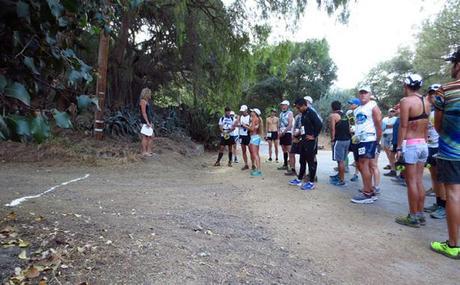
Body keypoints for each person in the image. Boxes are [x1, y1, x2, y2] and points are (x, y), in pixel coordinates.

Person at [431, 48, 460, 259]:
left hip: (452, 152)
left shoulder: (445, 90)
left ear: (458, 64)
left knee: (453, 195)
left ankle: (453, 244)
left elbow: (438, 124)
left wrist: (448, 138)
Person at [394, 74, 430, 228]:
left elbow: (403, 126)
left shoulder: (406, 101)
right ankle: (420, 214)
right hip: (423, 144)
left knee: (411, 182)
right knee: (419, 180)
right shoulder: (426, 101)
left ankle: (413, 216)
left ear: (406, 85)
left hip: (411, 144)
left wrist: (398, 146)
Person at [351, 87, 382, 204]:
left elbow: (378, 123)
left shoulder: (373, 105)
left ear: (370, 94)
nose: (363, 95)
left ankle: (367, 193)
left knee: (365, 165)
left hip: (369, 139)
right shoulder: (357, 110)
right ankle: (368, 188)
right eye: (361, 93)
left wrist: (377, 140)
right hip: (358, 140)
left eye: (365, 93)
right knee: (360, 165)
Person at [288, 98, 323, 190]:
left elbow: (319, 124)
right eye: (297, 108)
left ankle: (311, 182)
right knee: (302, 160)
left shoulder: (311, 112)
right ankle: (299, 180)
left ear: (304, 105)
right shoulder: (303, 114)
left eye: (299, 107)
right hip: (303, 140)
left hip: (310, 142)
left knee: (310, 161)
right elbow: (303, 128)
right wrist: (298, 136)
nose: (298, 109)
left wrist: (314, 136)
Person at [423, 84, 446, 220]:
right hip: (430, 146)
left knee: (441, 178)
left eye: (436, 93)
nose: (433, 96)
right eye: (431, 94)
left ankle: (444, 206)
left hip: (440, 147)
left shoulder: (444, 109)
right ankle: (438, 203)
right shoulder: (430, 111)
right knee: (433, 176)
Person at [329, 101, 351, 186]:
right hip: (347, 140)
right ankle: (339, 175)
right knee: (343, 159)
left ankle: (341, 180)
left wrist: (332, 139)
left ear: (332, 107)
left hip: (339, 140)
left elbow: (332, 129)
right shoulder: (346, 114)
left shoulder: (333, 116)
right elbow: (351, 127)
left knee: (340, 161)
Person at [347, 98, 361, 182]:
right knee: (349, 153)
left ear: (357, 105)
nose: (350, 105)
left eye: (352, 104)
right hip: (352, 136)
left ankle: (356, 174)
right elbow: (351, 124)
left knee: (357, 156)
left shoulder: (360, 112)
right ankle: (344, 168)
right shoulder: (350, 113)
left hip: (358, 137)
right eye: (350, 103)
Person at [285, 111, 302, 176]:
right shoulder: (297, 117)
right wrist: (293, 136)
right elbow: (294, 127)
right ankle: (293, 170)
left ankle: (304, 173)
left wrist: (299, 135)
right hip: (295, 137)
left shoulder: (308, 115)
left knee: (303, 156)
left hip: (302, 137)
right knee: (291, 153)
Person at [278, 100, 294, 170]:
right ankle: (285, 164)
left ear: (287, 106)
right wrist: (278, 131)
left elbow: (290, 125)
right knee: (283, 149)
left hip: (287, 133)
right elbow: (279, 124)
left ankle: (291, 166)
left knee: (289, 149)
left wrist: (284, 132)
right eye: (282, 105)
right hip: (281, 133)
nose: (283, 106)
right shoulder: (281, 113)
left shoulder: (290, 113)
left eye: (284, 105)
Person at [248, 108, 264, 177]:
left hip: (254, 137)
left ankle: (258, 171)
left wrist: (245, 126)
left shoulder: (255, 119)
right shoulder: (257, 119)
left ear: (255, 113)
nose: (251, 112)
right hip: (256, 137)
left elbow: (251, 129)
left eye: (253, 111)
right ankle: (258, 169)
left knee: (255, 154)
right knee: (256, 154)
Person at [382, 108, 398, 177]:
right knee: (386, 150)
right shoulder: (384, 118)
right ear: (388, 112)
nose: (392, 113)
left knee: (391, 152)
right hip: (385, 135)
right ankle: (391, 164)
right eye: (390, 111)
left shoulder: (396, 118)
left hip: (391, 135)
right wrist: (387, 126)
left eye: (393, 112)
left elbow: (393, 126)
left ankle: (393, 166)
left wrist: (386, 126)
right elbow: (382, 126)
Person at [139, 87, 154, 156]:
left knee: (151, 136)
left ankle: (149, 151)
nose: (150, 94)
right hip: (144, 121)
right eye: (149, 93)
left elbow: (149, 113)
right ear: (146, 94)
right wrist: (147, 122)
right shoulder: (143, 101)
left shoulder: (147, 102)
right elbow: (144, 113)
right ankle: (144, 152)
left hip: (149, 121)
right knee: (145, 136)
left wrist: (150, 122)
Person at [238, 105, 253, 170]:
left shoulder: (250, 117)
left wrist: (245, 126)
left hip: (248, 135)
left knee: (251, 151)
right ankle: (246, 164)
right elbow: (236, 124)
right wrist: (240, 125)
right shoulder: (240, 117)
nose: (242, 112)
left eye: (243, 111)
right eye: (241, 111)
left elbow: (251, 127)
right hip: (241, 135)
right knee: (243, 151)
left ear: (246, 110)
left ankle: (253, 164)